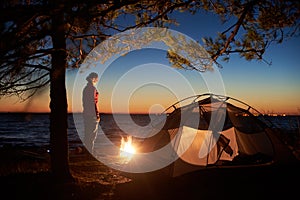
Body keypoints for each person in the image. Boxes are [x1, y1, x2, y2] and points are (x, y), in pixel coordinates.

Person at [82, 72, 100, 153]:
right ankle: (90, 152)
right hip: (91, 114)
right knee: (92, 134)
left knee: (87, 134)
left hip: (86, 113)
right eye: (96, 78)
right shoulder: (92, 88)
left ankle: (88, 151)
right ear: (93, 78)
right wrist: (97, 114)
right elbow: (93, 102)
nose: (97, 80)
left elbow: (84, 102)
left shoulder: (86, 88)